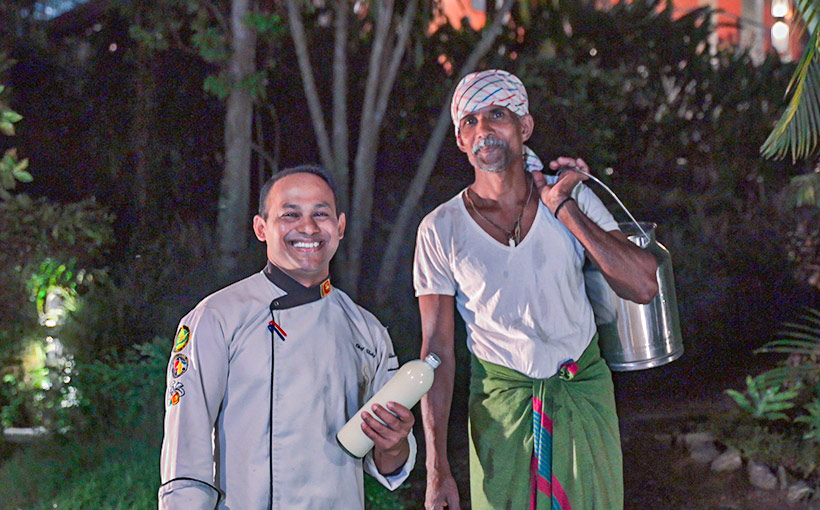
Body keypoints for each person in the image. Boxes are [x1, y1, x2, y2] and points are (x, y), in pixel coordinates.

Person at [413, 69, 659, 510]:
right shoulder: (440, 229)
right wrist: (437, 468)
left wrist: (564, 209)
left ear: (524, 126)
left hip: (580, 395)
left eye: (497, 114)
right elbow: (437, 352)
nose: (483, 128)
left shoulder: (570, 198)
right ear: (460, 140)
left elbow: (642, 284)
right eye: (469, 121)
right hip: (501, 414)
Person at [158, 165, 416, 510]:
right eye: (290, 215)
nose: (307, 227)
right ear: (261, 228)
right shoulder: (217, 317)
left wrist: (395, 444)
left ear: (339, 227)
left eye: (320, 214)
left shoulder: (366, 330)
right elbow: (185, 450)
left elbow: (387, 462)